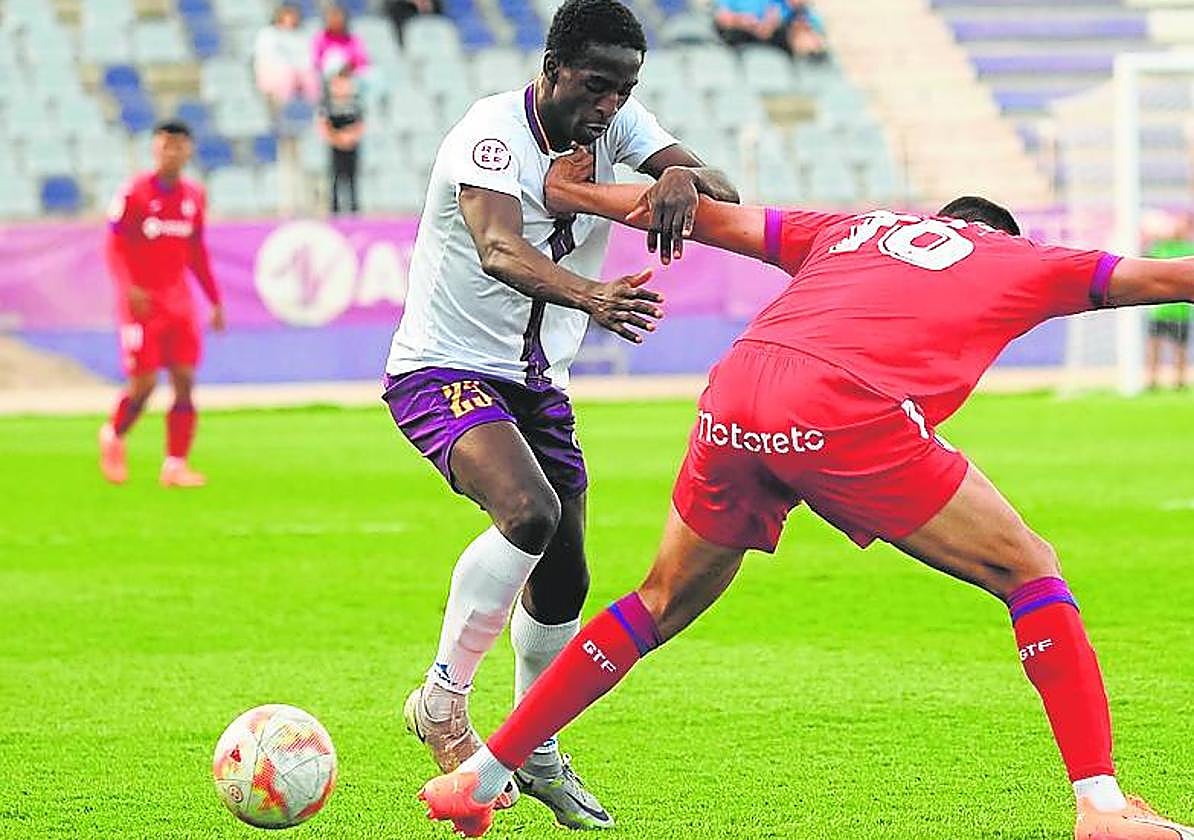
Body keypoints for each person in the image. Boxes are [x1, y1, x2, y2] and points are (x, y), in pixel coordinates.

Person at [417, 146, 1194, 840]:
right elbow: (1167, 278)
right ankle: (1100, 805)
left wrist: (578, 195)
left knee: (656, 600)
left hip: (737, 389)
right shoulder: (1027, 261)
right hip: (843, 406)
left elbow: (707, 218)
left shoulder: (853, 228)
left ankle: (478, 780)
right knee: (1030, 570)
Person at [383, 0, 738, 830]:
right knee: (529, 513)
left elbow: (717, 190)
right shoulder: (491, 135)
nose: (609, 104)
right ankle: (442, 700)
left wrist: (679, 174)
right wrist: (593, 294)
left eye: (624, 89)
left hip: (539, 386)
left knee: (567, 575)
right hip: (444, 368)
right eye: (595, 84)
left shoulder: (620, 124)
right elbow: (499, 247)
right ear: (552, 68)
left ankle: (534, 749)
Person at [99, 119, 225, 488]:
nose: (171, 152)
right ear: (155, 149)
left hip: (179, 304)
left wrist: (214, 299)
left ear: (188, 151)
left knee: (185, 380)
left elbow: (197, 254)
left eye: (178, 146)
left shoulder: (193, 197)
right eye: (164, 145)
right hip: (142, 304)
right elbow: (114, 246)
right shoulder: (133, 194)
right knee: (145, 384)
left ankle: (175, 465)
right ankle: (113, 435)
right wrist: (128, 287)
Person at [1145, 220, 1193, 390]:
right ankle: (1151, 381)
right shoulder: (1160, 246)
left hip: (1180, 311)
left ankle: (1180, 382)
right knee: (1153, 347)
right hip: (1160, 311)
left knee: (1179, 349)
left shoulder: (1189, 249)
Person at [317, 67, 365, 215]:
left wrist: (351, 137)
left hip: (352, 148)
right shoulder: (328, 105)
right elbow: (324, 126)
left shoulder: (355, 104)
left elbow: (360, 125)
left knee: (352, 180)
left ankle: (354, 211)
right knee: (336, 180)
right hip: (336, 148)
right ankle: (335, 212)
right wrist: (338, 139)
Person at [253, 3, 318, 109]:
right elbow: (268, 56)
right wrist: (292, 70)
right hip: (274, 73)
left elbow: (309, 56)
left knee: (312, 78)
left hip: (300, 73)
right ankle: (282, 110)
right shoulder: (268, 34)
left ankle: (313, 110)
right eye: (289, 15)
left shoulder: (304, 34)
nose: (292, 18)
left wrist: (299, 71)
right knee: (286, 78)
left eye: (294, 15)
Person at [714, 0, 827, 60]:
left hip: (777, 35)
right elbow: (722, 17)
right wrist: (742, 21)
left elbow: (792, 11)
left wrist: (768, 25)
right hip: (739, 34)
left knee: (803, 34)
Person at [312, 3, 369, 82]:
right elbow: (316, 61)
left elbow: (362, 60)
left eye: (338, 17)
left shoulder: (353, 39)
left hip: (353, 73)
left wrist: (350, 66)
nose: (335, 20)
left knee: (372, 74)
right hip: (329, 76)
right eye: (332, 17)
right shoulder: (320, 39)